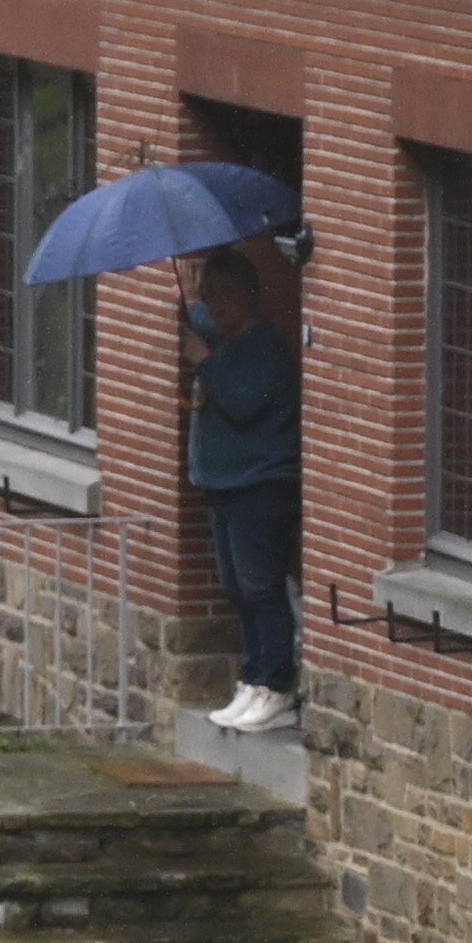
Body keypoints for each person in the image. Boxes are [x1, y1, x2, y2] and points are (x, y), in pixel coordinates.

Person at [186, 245, 305, 735]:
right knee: (237, 588)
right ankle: (252, 677)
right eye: (210, 296)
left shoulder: (263, 348)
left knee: (262, 587)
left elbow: (242, 402)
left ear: (250, 295)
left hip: (258, 486)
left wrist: (204, 363)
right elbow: (194, 313)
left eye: (226, 295)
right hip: (225, 487)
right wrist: (191, 296)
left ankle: (276, 684)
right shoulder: (224, 339)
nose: (216, 305)